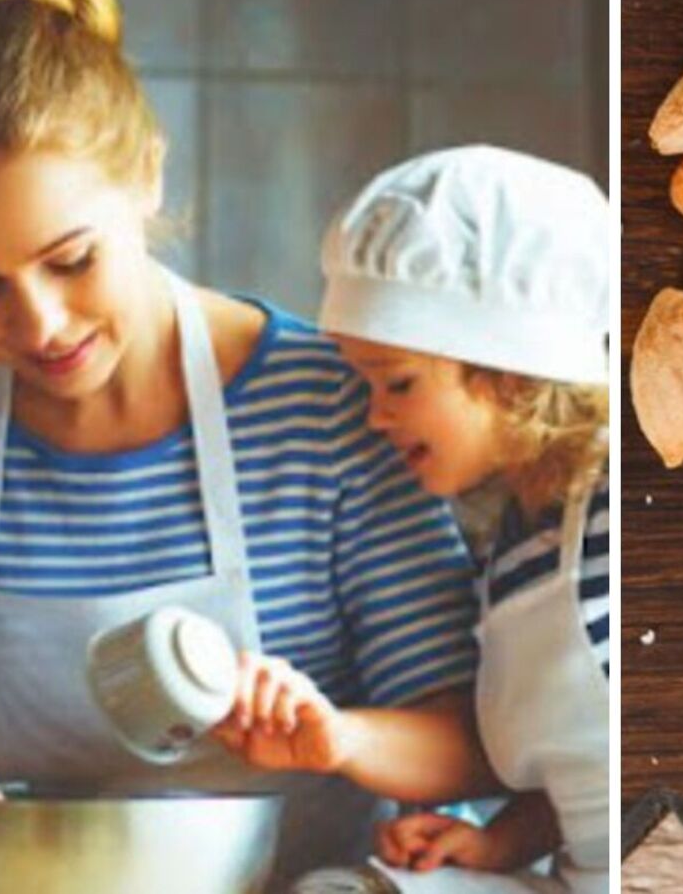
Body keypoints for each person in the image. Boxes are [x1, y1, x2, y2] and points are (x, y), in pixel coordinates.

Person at [0, 0, 489, 884]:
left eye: (71, 261)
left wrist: (332, 739)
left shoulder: (329, 404)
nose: (39, 324)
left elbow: (470, 741)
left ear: (146, 175)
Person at [236, 146, 609, 893]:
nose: (374, 416)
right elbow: (589, 771)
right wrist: (500, 842)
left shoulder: (610, 517)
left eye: (397, 382)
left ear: (510, 368)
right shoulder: (517, 539)